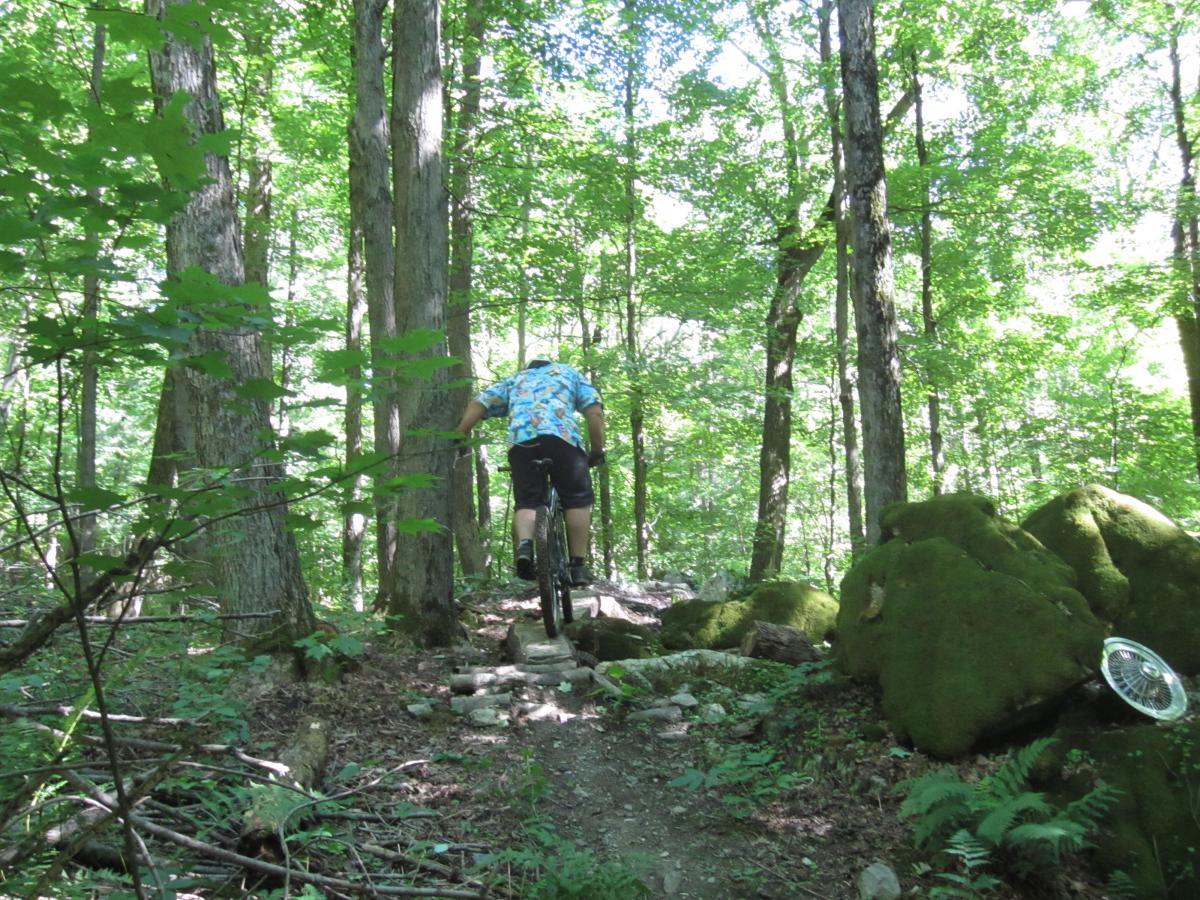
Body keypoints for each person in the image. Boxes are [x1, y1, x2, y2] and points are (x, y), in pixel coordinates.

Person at [454, 358, 605, 586]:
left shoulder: (516, 379)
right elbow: (594, 413)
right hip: (562, 440)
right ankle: (578, 566)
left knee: (527, 502)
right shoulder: (569, 374)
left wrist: (461, 432)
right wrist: (596, 450)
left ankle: (525, 547)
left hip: (522, 444)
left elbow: (480, 403)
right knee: (577, 499)